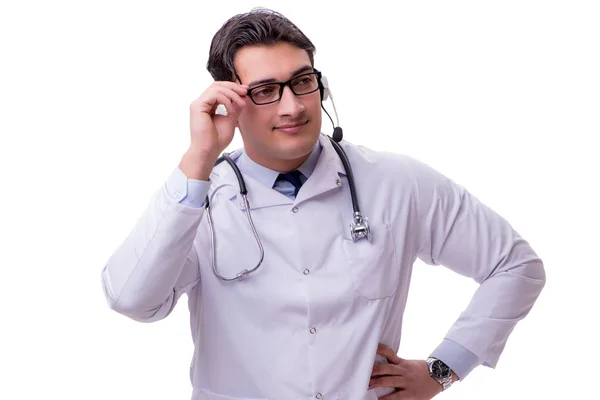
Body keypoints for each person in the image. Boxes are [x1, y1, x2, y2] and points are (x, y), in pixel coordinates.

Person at [101, 7, 546, 400]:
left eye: (302, 81)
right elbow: (132, 300)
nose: (292, 106)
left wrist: (442, 371)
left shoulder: (397, 182)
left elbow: (515, 265)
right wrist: (198, 158)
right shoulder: (199, 200)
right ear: (229, 102)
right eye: (265, 91)